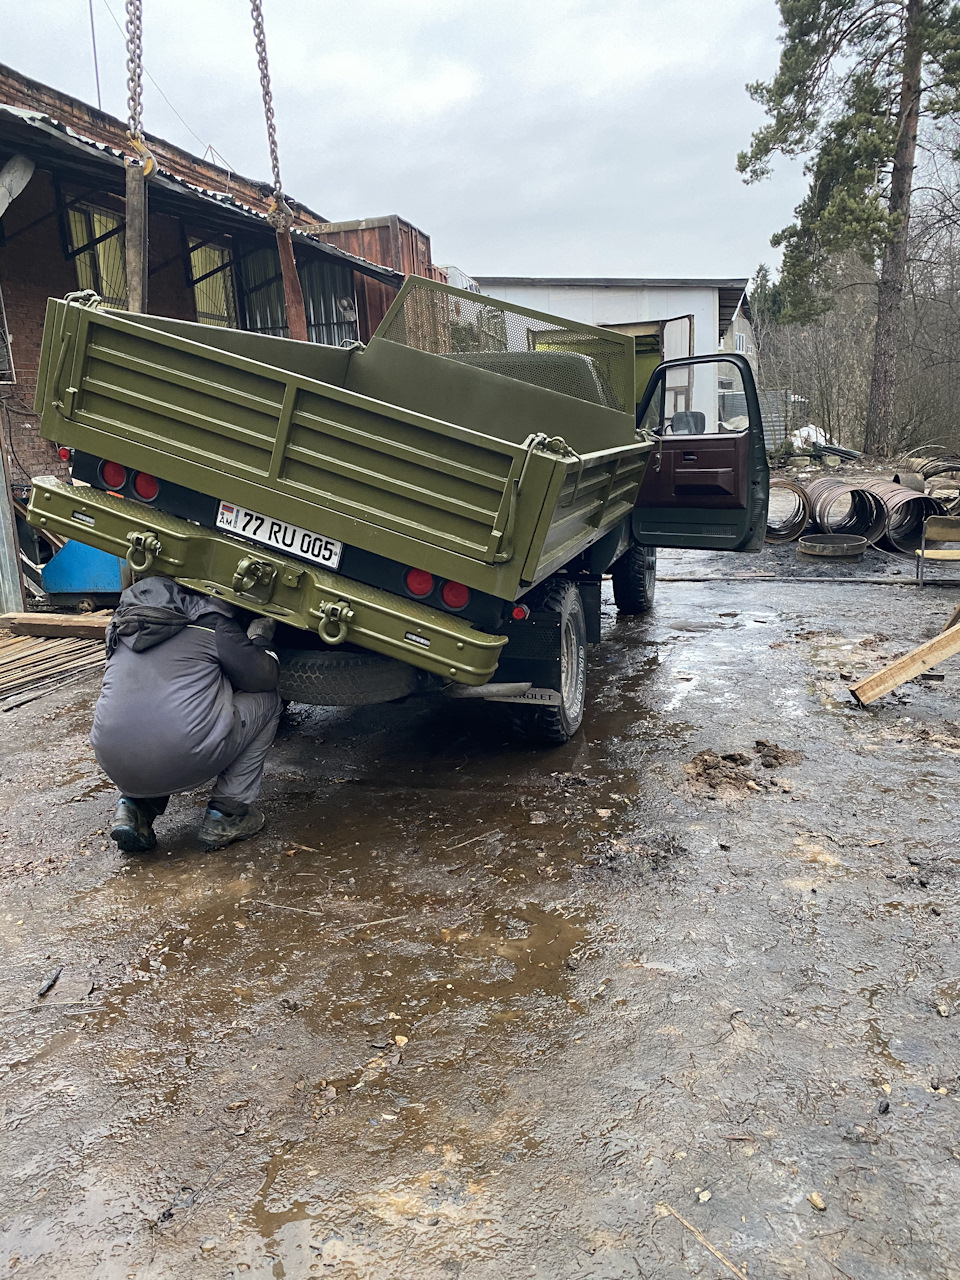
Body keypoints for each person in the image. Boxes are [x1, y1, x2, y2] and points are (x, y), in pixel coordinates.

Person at [91, 575, 282, 853]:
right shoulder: (212, 625)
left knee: (150, 712)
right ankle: (228, 814)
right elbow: (264, 678)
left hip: (113, 760)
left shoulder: (120, 628)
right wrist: (260, 639)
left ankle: (133, 808)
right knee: (269, 700)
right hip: (185, 753)